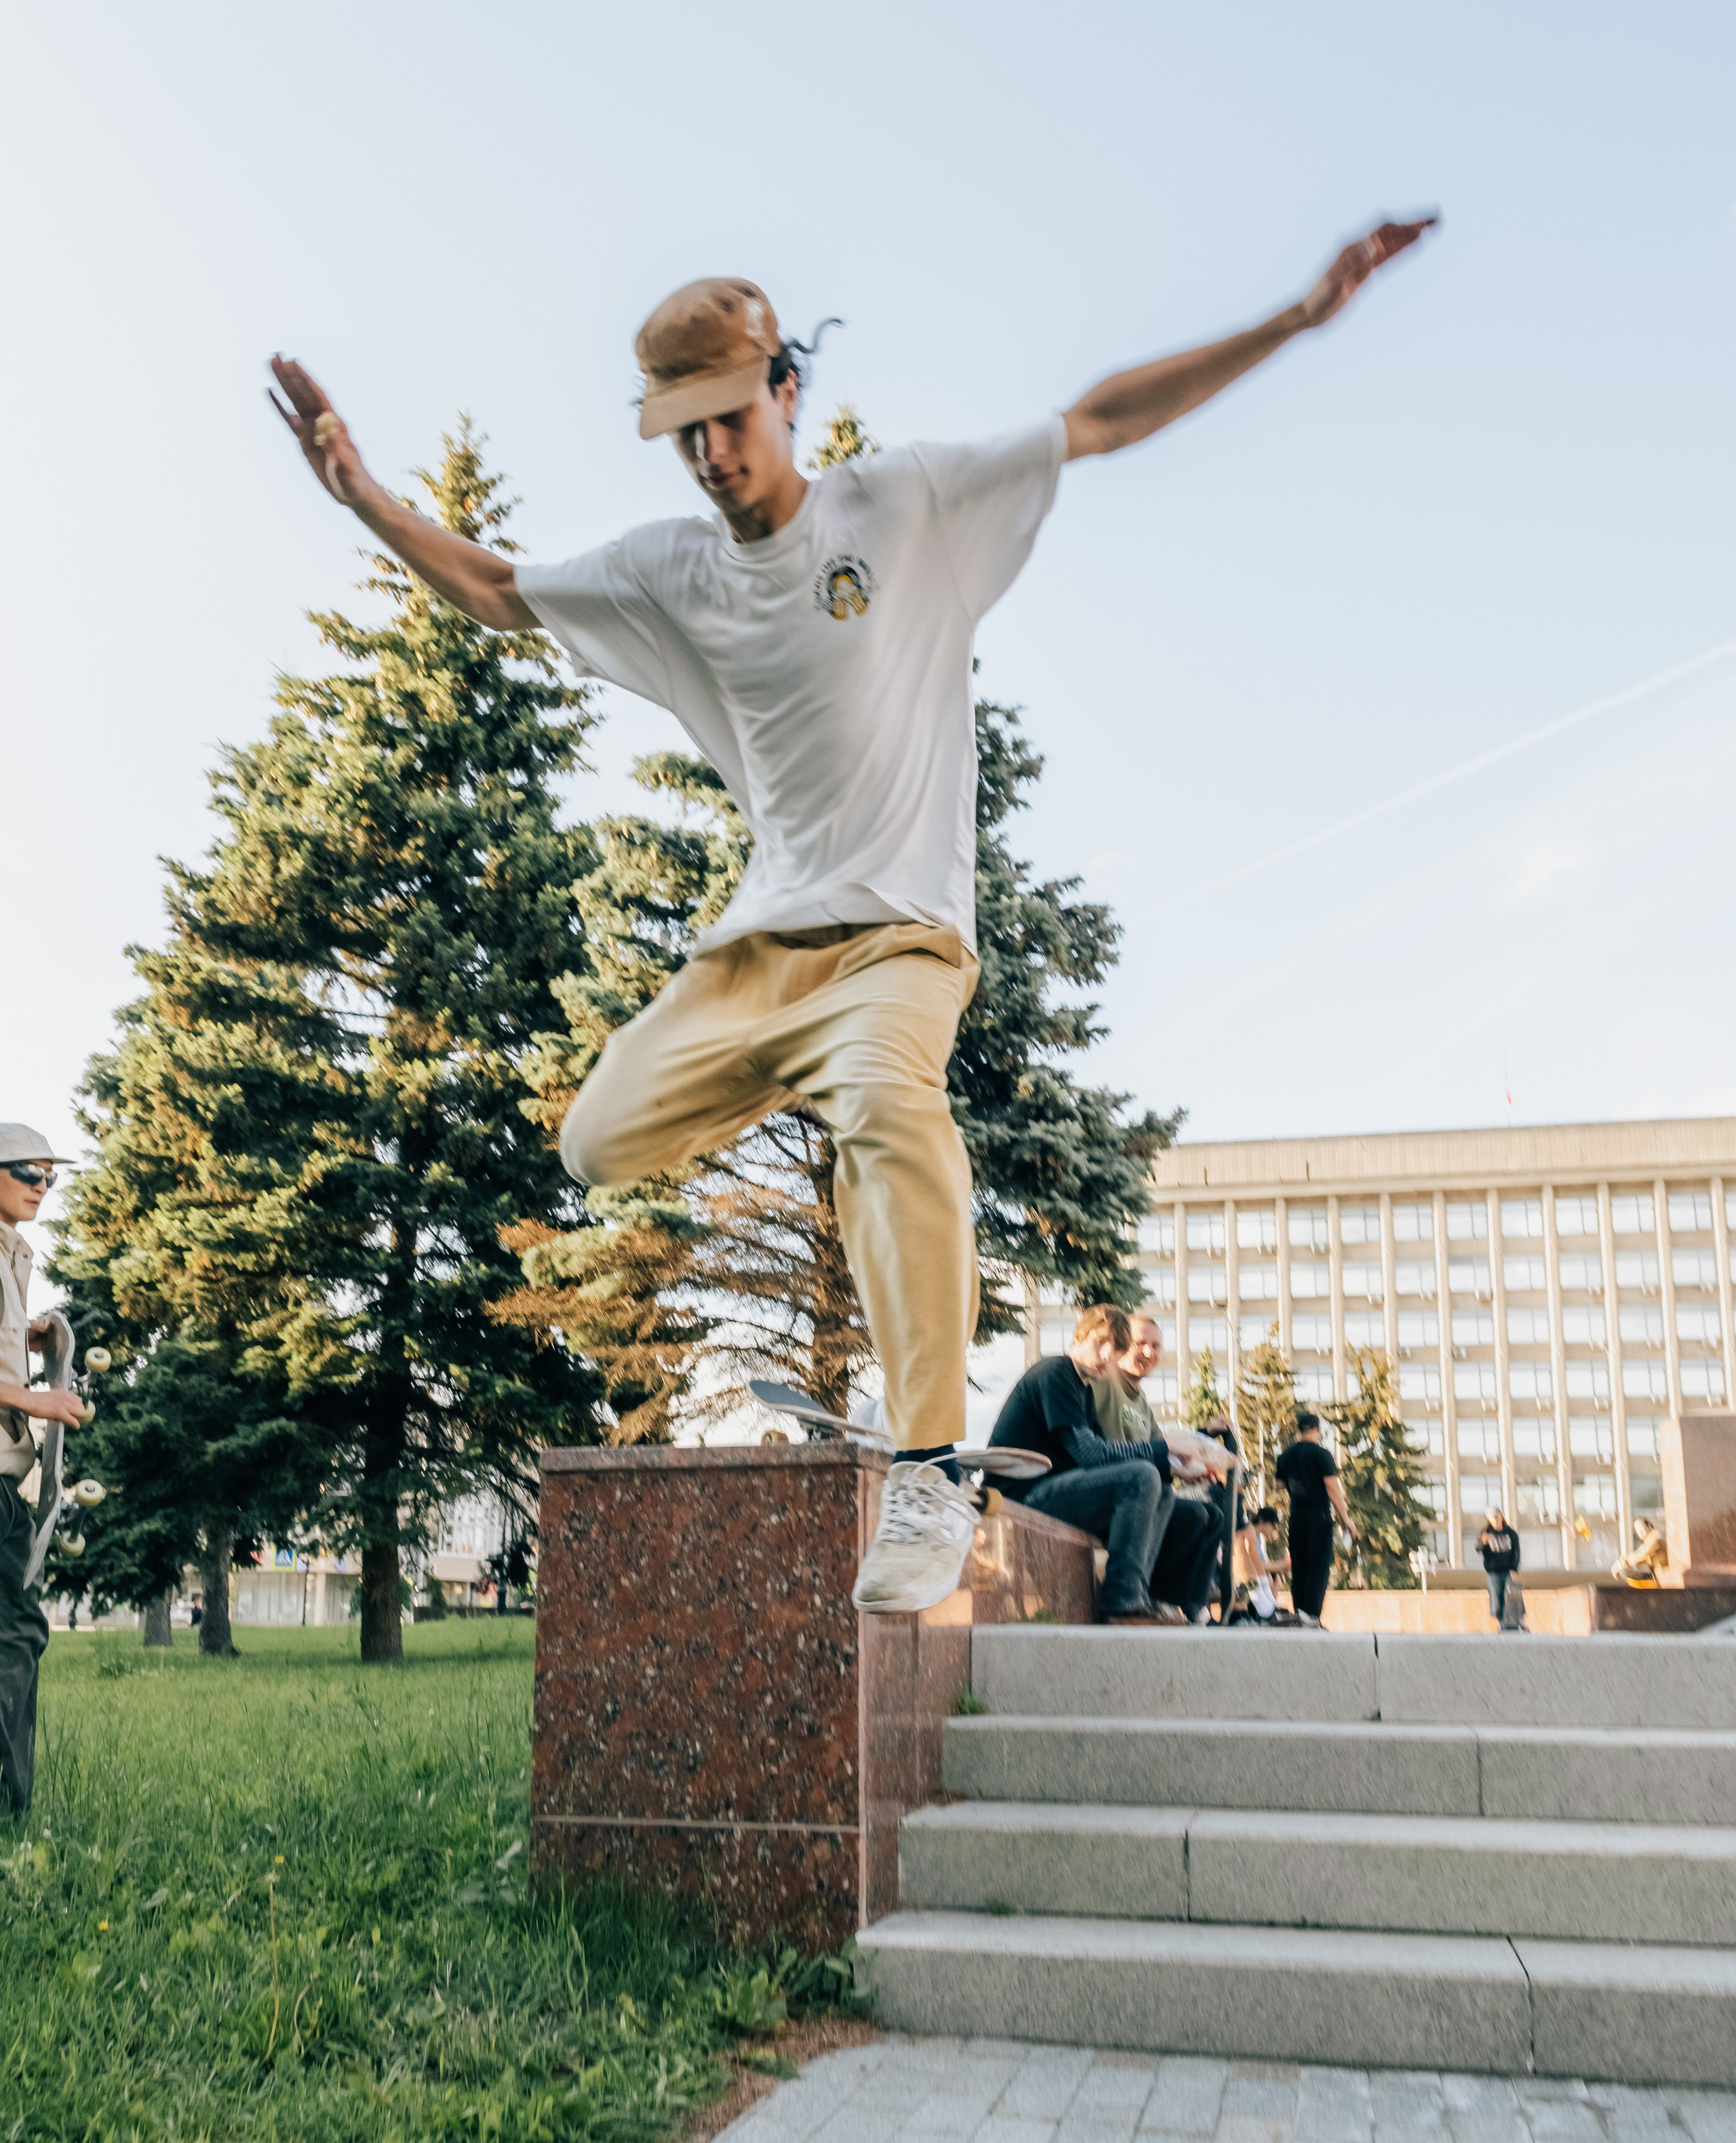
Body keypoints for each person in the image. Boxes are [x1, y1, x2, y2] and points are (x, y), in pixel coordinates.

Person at [269, 217, 1433, 1616]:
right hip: (760, 956)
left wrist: (1291, 321)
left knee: (889, 1101)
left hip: (899, 939)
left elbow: (1098, 421)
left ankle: (933, 1472)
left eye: (727, 422)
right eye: (682, 436)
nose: (710, 457)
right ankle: (830, 1125)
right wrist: (362, 499)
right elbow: (505, 594)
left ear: (784, 392)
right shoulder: (670, 570)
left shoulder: (900, 506)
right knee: (593, 1141)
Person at [989, 1308, 1222, 1622]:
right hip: (1021, 1497)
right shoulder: (1055, 1373)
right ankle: (1121, 1599)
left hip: (1052, 1492)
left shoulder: (1083, 1391)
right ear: (1079, 1336)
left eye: (1117, 1350)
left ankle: (1142, 1596)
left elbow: (1105, 1453)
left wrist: (1175, 1470)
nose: (1107, 1355)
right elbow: (1091, 1454)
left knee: (1163, 1490)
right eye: (1100, 1343)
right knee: (1141, 1477)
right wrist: (1166, 1447)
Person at [0, 1127, 87, 1817]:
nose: (41, 1184)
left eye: (50, 1176)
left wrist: (26, 1336)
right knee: (15, 1637)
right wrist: (34, 1397)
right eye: (27, 1170)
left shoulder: (11, 1255)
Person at [1275, 1410, 1354, 1627]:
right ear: (1318, 1429)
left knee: (1299, 1567)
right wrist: (1345, 1518)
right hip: (1319, 1518)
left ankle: (1299, 1612)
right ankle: (1312, 1617)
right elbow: (1332, 1487)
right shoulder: (1322, 1455)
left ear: (1298, 1430)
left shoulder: (1286, 1455)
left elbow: (1279, 1485)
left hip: (1296, 1517)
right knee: (1317, 1568)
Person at [1234, 1504, 1291, 1621]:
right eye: (1273, 1525)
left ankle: (1267, 1609)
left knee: (1268, 1578)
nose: (1274, 1529)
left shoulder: (1254, 1538)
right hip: (1240, 1574)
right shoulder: (1246, 1536)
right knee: (1261, 1579)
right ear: (1262, 1521)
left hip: (1249, 1576)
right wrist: (1282, 1564)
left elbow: (1257, 1563)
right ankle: (1264, 1612)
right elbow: (1252, 1562)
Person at [1476, 1508, 1521, 1625]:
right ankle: (1501, 1622)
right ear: (1489, 1519)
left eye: (1497, 1515)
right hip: (1494, 1572)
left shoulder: (1510, 1533)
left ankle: (1520, 1621)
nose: (1496, 1518)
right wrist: (1483, 1543)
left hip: (1509, 1570)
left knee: (1514, 1596)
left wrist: (1514, 1569)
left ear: (1502, 1516)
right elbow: (1478, 1549)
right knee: (1497, 1597)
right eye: (1493, 1516)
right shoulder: (1486, 1533)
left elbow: (1516, 1551)